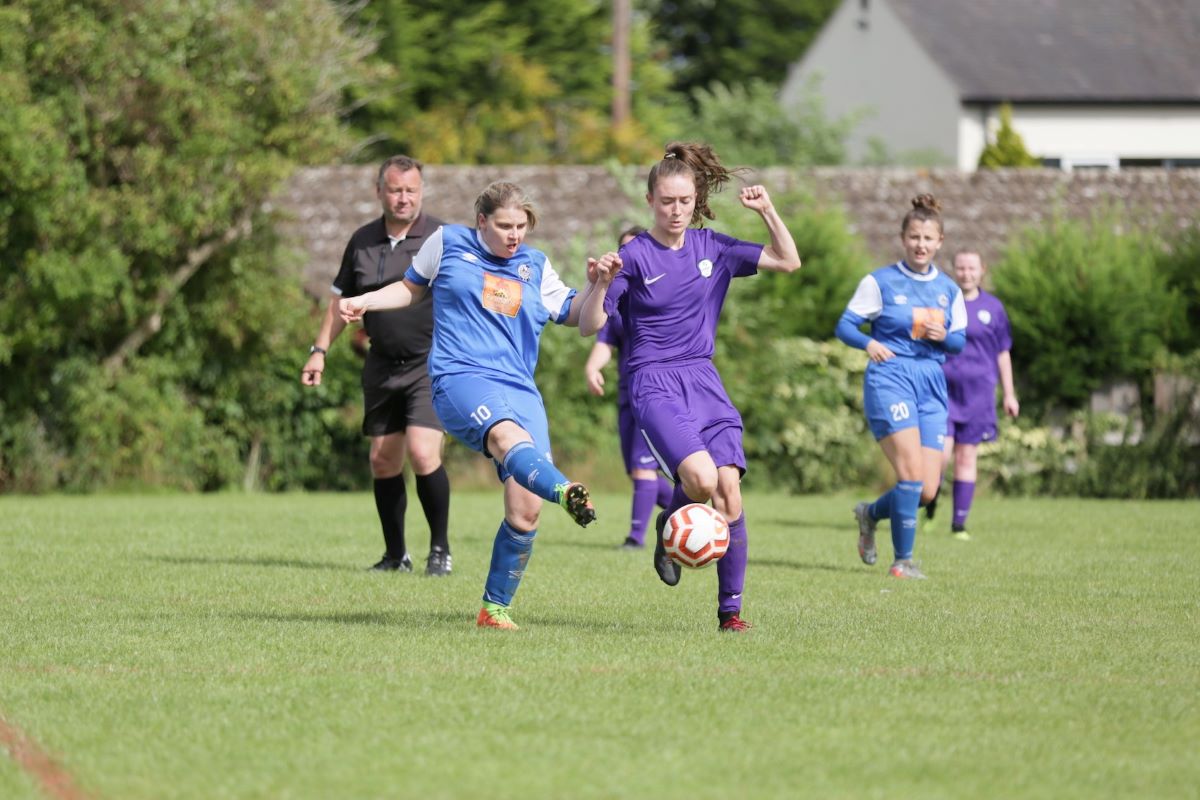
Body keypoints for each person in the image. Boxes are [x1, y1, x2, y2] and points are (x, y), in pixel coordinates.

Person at [339, 181, 604, 631]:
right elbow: (409, 289)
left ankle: (493, 610)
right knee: (506, 437)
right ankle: (564, 491)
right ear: (482, 221)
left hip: (519, 387)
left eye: (521, 226)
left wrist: (600, 284)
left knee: (525, 510)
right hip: (459, 377)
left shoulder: (535, 266)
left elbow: (584, 320)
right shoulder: (448, 243)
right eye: (504, 226)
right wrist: (366, 301)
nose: (514, 235)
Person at [580, 142, 802, 632]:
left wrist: (768, 211)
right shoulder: (633, 256)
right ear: (650, 202)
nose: (675, 210)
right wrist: (600, 283)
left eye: (684, 201)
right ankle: (669, 526)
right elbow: (589, 325)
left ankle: (730, 615)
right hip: (652, 381)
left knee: (729, 491)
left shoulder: (713, 247)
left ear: (696, 197)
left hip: (703, 378)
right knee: (701, 481)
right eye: (666, 202)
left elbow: (789, 261)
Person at [301, 155, 453, 577]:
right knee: (383, 461)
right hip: (382, 365)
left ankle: (440, 550)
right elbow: (337, 302)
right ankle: (395, 555)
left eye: (411, 190)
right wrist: (319, 351)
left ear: (421, 192)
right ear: (380, 192)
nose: (403, 198)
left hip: (430, 364)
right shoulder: (362, 240)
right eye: (395, 190)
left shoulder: (441, 237)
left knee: (423, 454)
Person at [835, 194, 966, 579]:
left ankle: (869, 514)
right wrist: (869, 342)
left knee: (926, 490)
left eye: (928, 238)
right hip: (891, 378)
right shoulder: (880, 282)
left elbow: (958, 342)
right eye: (914, 237)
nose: (920, 245)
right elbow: (845, 325)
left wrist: (943, 335)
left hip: (931, 384)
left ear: (940, 241)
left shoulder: (949, 290)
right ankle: (903, 562)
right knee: (909, 476)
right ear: (903, 238)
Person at [583, 225, 674, 550]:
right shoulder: (617, 301)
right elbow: (605, 340)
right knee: (638, 472)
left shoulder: (661, 294)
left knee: (642, 468)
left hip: (657, 391)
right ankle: (693, 504)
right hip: (627, 394)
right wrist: (593, 366)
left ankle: (635, 540)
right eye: (624, 250)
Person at [924, 249, 1020, 540]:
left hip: (978, 395)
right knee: (939, 457)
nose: (966, 273)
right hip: (943, 392)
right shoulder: (941, 302)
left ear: (982, 270)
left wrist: (1009, 394)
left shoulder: (994, 308)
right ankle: (929, 508)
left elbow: (1003, 353)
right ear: (954, 270)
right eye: (961, 268)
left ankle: (958, 525)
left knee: (966, 458)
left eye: (971, 268)